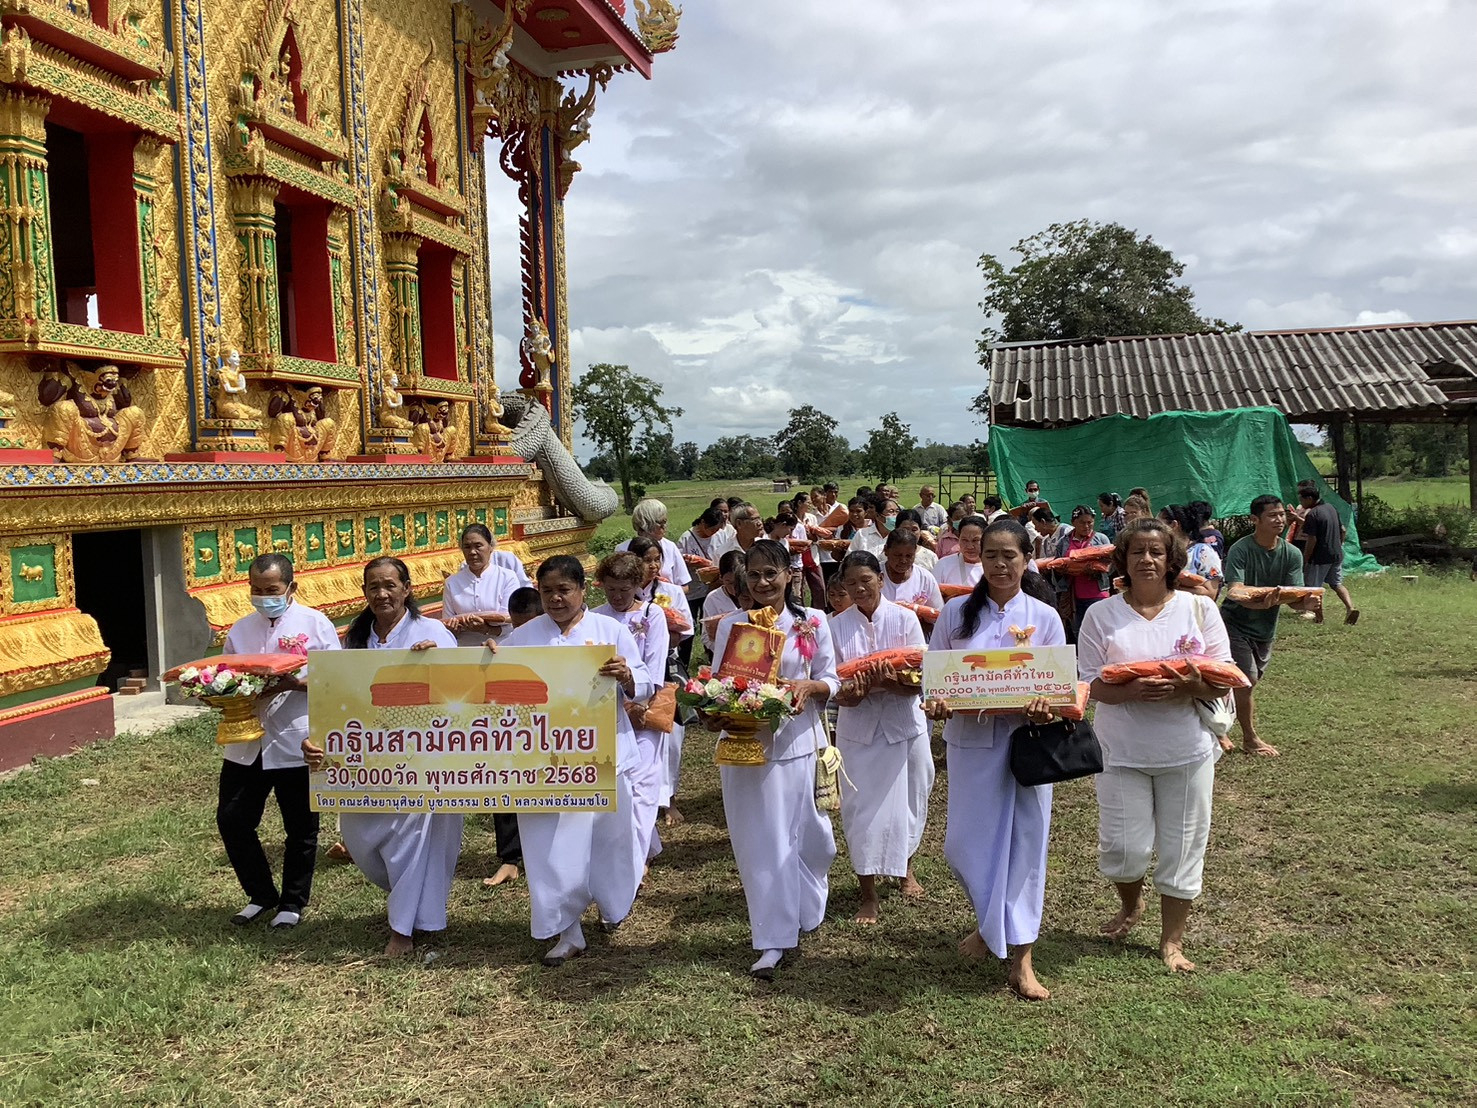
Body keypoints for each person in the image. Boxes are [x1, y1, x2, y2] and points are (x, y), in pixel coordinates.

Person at [1078, 518, 1236, 974]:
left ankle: (1172, 941)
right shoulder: (1101, 615)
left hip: (1186, 750)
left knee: (1183, 847)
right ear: (1122, 560)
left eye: (1156, 552)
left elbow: (1224, 674)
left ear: (1171, 560)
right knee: (1123, 850)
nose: (1146, 559)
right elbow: (1087, 682)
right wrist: (1129, 692)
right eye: (1137, 552)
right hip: (1120, 751)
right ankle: (1132, 904)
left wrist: (1190, 686)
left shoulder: (1198, 609)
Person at [925, 519, 1065, 1000]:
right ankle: (990, 925)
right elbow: (934, 678)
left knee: (1026, 846)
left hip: (1027, 744)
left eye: (1010, 555)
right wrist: (936, 701)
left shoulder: (1044, 616)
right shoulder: (955, 613)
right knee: (964, 845)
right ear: (978, 558)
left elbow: (1059, 686)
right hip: (970, 743)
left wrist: (1047, 703)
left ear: (1027, 559)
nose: (1000, 564)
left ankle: (1022, 958)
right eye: (991, 555)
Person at [303, 556, 460, 956]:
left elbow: (460, 695)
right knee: (363, 842)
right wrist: (316, 741)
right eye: (374, 586)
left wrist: (437, 663)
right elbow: (337, 700)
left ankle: (401, 933)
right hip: (366, 764)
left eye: (390, 585)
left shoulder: (432, 633)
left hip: (421, 764)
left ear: (407, 589)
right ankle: (412, 905)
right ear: (364, 593)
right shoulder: (355, 640)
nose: (382, 593)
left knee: (411, 843)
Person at [502, 555, 648, 965]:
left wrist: (627, 676)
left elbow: (645, 682)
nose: (555, 598)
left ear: (583, 590)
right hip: (542, 760)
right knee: (548, 844)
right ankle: (567, 929)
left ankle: (611, 905)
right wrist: (489, 658)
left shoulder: (609, 630)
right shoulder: (524, 636)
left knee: (608, 838)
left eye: (564, 590)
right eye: (547, 591)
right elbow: (495, 683)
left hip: (602, 754)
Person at [709, 539, 839, 978]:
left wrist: (809, 687)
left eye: (771, 573)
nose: (763, 582)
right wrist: (715, 709)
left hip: (799, 744)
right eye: (754, 575)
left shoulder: (812, 621)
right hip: (745, 745)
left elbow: (831, 678)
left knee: (814, 841)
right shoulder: (732, 625)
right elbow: (719, 682)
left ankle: (807, 903)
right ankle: (772, 938)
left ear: (789, 575)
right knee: (760, 844)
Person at [217, 553, 339, 929]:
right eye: (256, 589)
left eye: (271, 590)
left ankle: (292, 902)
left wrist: (294, 684)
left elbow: (336, 679)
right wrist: (218, 692)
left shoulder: (315, 624)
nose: (263, 597)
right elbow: (225, 675)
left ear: (291, 587)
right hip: (247, 740)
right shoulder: (240, 630)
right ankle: (260, 894)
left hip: (296, 739)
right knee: (233, 819)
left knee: (300, 827)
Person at [830, 551, 932, 924]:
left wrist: (892, 682)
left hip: (905, 723)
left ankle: (906, 868)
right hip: (858, 729)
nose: (859, 589)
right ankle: (868, 893)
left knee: (912, 797)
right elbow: (833, 686)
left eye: (866, 580)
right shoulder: (835, 627)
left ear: (880, 579)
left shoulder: (905, 619)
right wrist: (851, 694)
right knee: (861, 809)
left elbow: (921, 676)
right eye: (851, 583)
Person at [1220, 494, 1321, 757]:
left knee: (1241, 683)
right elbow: (1234, 591)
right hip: (1234, 624)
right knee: (1246, 681)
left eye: (1281, 514)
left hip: (1265, 630)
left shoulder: (1292, 553)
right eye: (1272, 515)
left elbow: (1293, 598)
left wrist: (1306, 603)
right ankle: (1249, 738)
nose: (1279, 520)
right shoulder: (1241, 549)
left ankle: (1218, 728)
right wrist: (1259, 602)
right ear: (1255, 520)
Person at [593, 552, 670, 867]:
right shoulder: (595, 618)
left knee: (642, 787)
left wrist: (637, 702)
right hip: (605, 714)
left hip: (642, 710)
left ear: (637, 585)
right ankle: (639, 849)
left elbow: (654, 665)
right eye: (611, 589)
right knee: (619, 787)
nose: (617, 596)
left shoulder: (652, 615)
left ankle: (635, 865)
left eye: (624, 590)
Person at [481, 587, 544, 889]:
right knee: (504, 784)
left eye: (528, 624)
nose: (522, 631)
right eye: (516, 625)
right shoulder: (507, 645)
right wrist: (487, 653)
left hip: (552, 727)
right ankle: (510, 858)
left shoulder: (560, 643)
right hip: (512, 726)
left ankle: (543, 853)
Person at [439, 524, 521, 646]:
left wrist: (486, 629)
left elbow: (512, 621)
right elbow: (447, 623)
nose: (472, 552)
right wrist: (453, 630)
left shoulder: (507, 577)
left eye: (478, 546)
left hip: (500, 647)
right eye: (467, 547)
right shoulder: (452, 582)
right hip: (465, 649)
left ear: (490, 547)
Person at [1295, 479, 1359, 625]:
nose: (1301, 503)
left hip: (1319, 557)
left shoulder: (1313, 514)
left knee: (1314, 588)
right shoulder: (1331, 508)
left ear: (1309, 498)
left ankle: (1319, 618)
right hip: (1336, 554)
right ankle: (1350, 608)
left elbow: (1312, 540)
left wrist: (1306, 558)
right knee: (1336, 584)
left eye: (1302, 500)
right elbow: (1343, 530)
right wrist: (1338, 545)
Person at [1052, 506, 1111, 636]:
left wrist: (1096, 569)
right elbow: (1056, 565)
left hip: (1098, 595)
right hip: (1073, 597)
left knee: (1100, 631)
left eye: (1090, 522)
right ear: (1073, 522)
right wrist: (1062, 570)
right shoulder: (1063, 542)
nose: (1086, 526)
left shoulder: (1101, 539)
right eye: (1082, 522)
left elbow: (1110, 566)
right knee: (1080, 632)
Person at [616, 498, 692, 597]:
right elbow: (617, 585)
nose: (665, 526)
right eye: (662, 522)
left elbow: (685, 587)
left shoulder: (670, 547)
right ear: (647, 524)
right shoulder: (622, 549)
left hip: (666, 603)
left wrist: (667, 588)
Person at [1161, 505, 1223, 599]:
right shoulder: (1160, 553)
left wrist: (1172, 587)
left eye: (1159, 526)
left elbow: (1211, 594)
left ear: (1173, 525)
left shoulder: (1203, 553)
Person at [880, 529, 944, 611]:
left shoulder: (925, 578)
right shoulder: (874, 574)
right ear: (886, 550)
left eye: (909, 556)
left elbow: (937, 612)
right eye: (898, 555)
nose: (903, 561)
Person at [701, 550, 748, 653]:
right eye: (729, 583)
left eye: (738, 582)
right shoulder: (713, 599)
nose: (734, 588)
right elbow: (706, 637)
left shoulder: (755, 594)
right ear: (721, 578)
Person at [934, 514, 989, 589]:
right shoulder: (943, 565)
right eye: (964, 540)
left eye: (975, 540)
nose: (970, 546)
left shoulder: (993, 566)